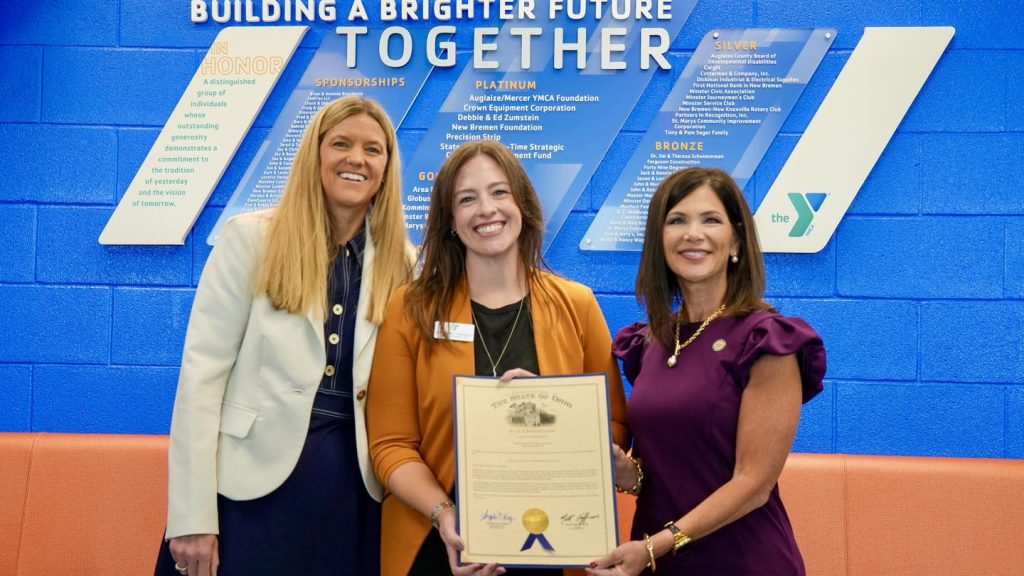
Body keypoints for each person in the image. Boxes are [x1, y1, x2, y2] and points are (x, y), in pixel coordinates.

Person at [155, 95, 414, 576]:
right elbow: (200, 381)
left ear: (387, 168)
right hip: (248, 492)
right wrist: (190, 517)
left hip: (355, 496)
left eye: (372, 150)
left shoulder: (406, 264)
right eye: (341, 143)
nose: (356, 159)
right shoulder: (249, 240)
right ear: (315, 154)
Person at [366, 140, 631, 576]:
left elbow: (616, 428)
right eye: (466, 199)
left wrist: (555, 414)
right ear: (451, 221)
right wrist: (445, 516)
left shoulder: (577, 305)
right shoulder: (411, 308)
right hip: (442, 545)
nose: (486, 209)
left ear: (522, 205)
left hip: (557, 545)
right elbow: (391, 446)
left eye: (499, 192)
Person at [588, 168, 826, 576]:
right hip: (654, 560)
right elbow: (669, 473)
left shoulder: (767, 340)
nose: (692, 233)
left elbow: (753, 484)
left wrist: (657, 546)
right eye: (677, 220)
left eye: (710, 220)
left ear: (735, 240)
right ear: (659, 241)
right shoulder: (647, 344)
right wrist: (625, 472)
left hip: (742, 560)